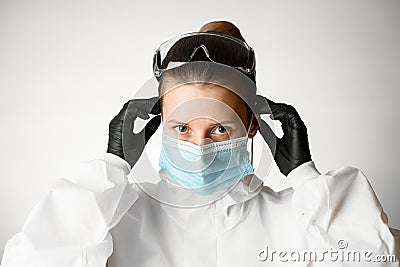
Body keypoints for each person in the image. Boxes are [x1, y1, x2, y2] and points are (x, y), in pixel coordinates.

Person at [1, 21, 399, 267]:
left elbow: (374, 259)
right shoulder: (114, 223)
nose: (199, 145)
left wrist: (306, 177)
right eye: (182, 128)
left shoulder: (299, 224)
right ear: (156, 127)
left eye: (220, 129)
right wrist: (112, 165)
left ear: (253, 128)